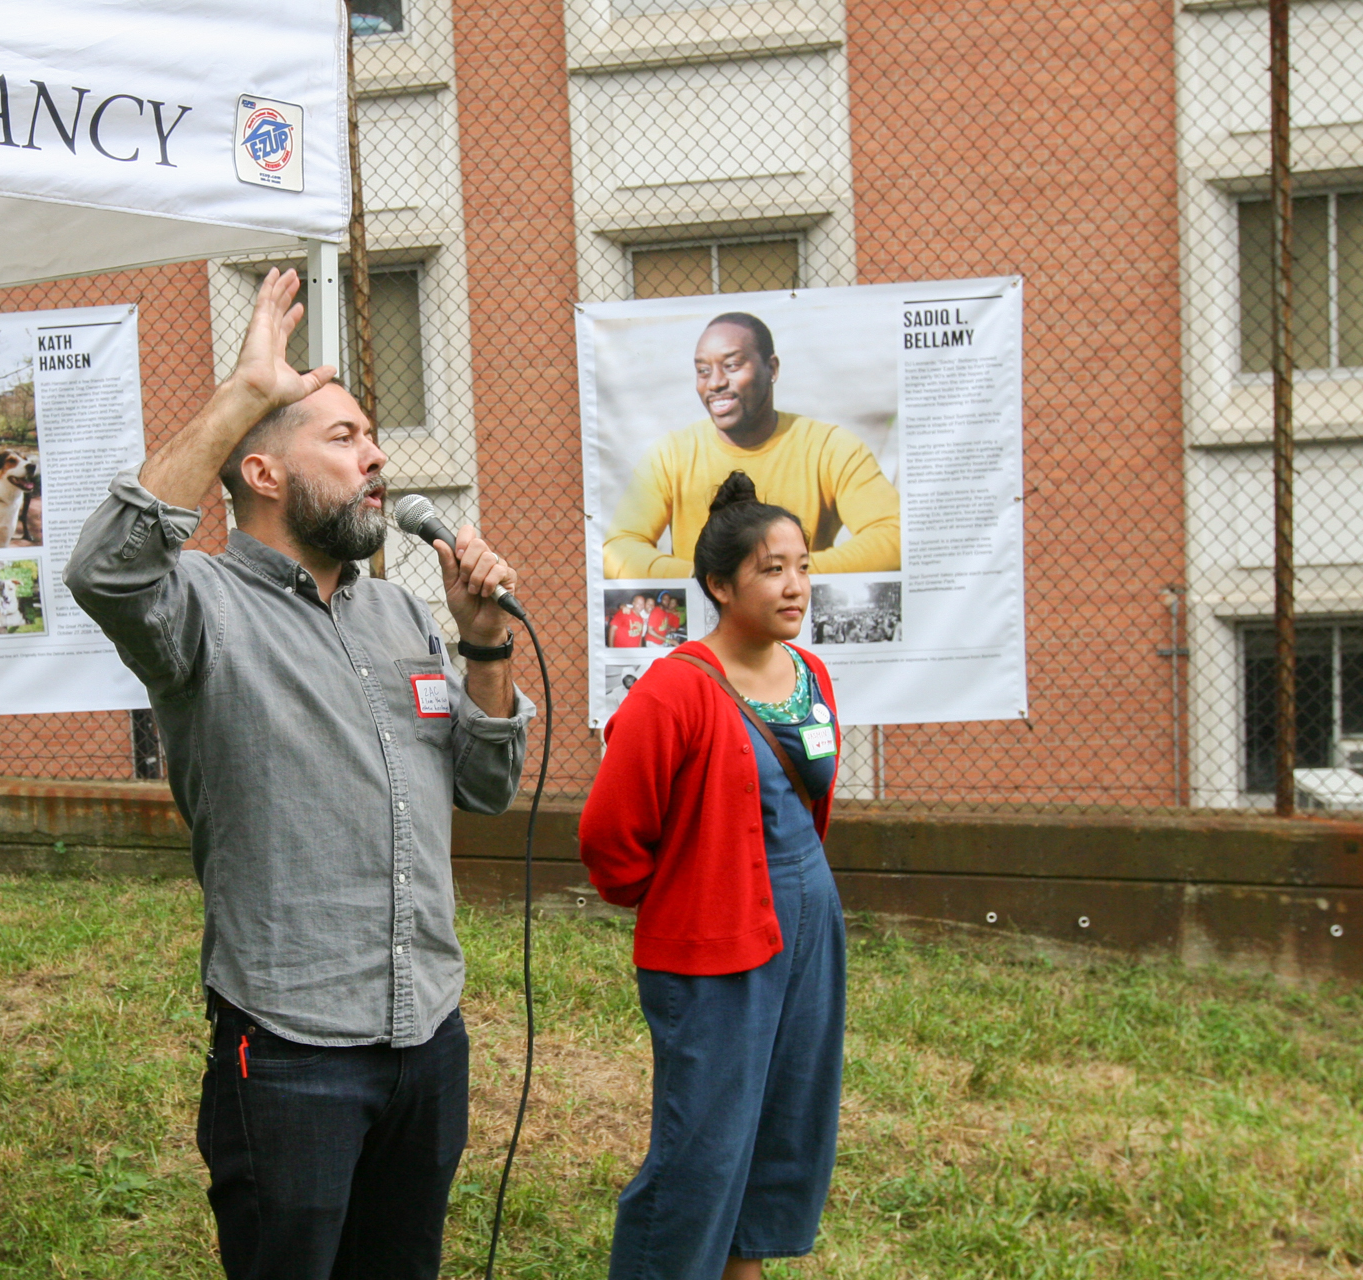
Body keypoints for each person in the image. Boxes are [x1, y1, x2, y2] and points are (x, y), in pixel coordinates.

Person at [65, 269, 533, 1280]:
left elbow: (487, 789)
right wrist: (243, 394)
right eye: (345, 438)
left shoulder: (402, 614)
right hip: (289, 1053)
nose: (376, 458)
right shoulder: (199, 607)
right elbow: (103, 568)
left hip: (426, 1035)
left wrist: (484, 647)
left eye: (373, 438)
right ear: (266, 474)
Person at [580, 471, 845, 1280]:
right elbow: (608, 836)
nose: (794, 584)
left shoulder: (811, 675)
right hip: (713, 942)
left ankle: (743, 1268)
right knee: (704, 1144)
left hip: (808, 928)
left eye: (801, 564)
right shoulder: (675, 690)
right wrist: (688, 896)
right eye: (771, 568)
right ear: (719, 586)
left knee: (785, 1124)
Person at [602, 313, 899, 578]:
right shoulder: (670, 454)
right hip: (709, 619)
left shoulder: (831, 447)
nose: (715, 382)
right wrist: (702, 578)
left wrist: (785, 574)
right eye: (703, 370)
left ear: (771, 369)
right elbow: (619, 546)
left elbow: (894, 536)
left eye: (731, 365)